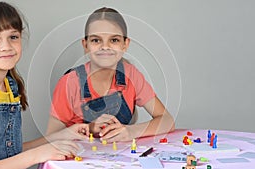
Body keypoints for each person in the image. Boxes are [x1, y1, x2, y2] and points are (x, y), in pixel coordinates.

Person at [0, 1, 89, 169]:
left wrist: (61, 135)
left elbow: (8, 151)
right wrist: (37, 154)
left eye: (13, 37)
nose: (6, 46)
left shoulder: (8, 85)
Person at [46, 7, 175, 143]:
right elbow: (50, 137)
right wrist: (89, 128)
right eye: (96, 40)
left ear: (125, 44)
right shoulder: (70, 83)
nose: (105, 47)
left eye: (114, 40)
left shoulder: (131, 75)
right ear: (85, 45)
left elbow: (167, 120)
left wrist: (131, 131)